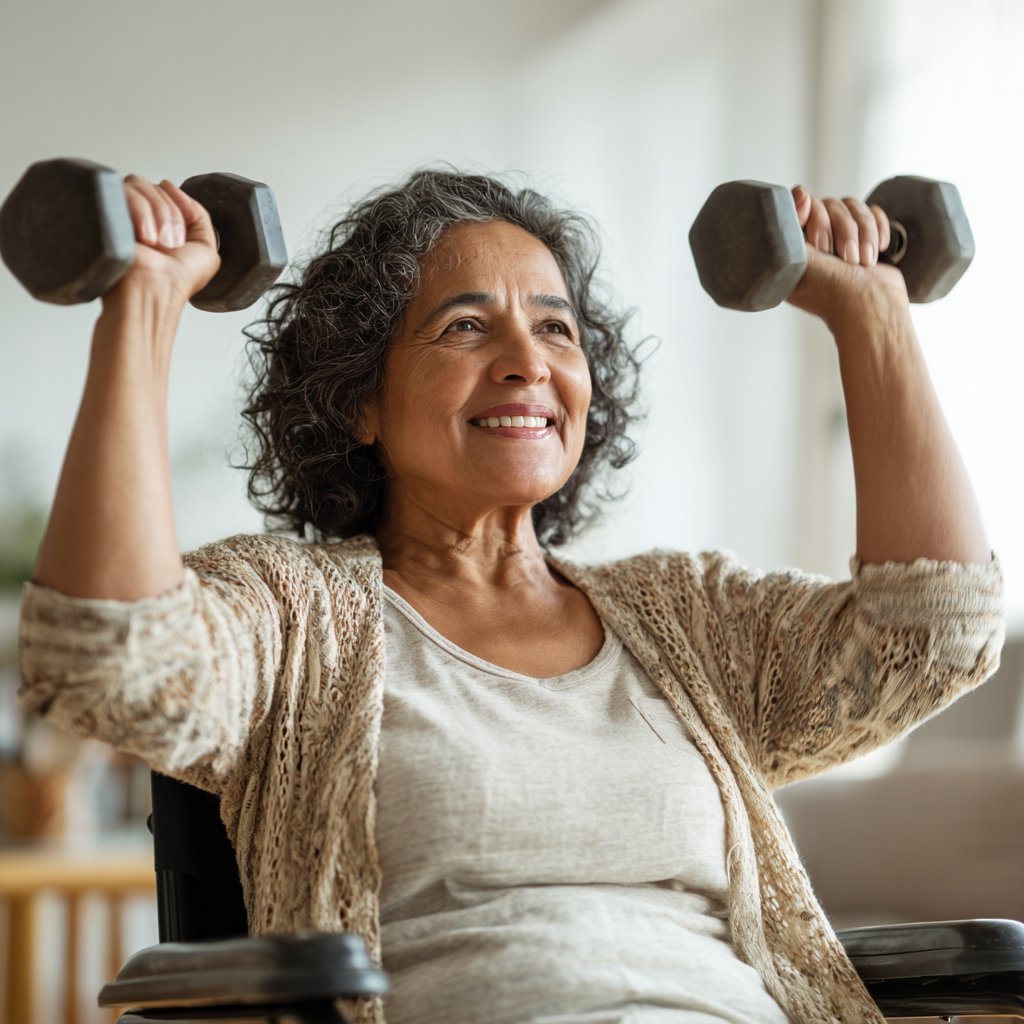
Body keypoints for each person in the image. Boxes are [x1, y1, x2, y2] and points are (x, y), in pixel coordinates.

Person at [19, 169, 1002, 1024]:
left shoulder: (686, 615)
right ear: (359, 396)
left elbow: (934, 635)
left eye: (555, 328)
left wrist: (871, 312)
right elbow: (110, 660)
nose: (528, 359)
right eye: (464, 325)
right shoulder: (292, 613)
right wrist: (144, 302)